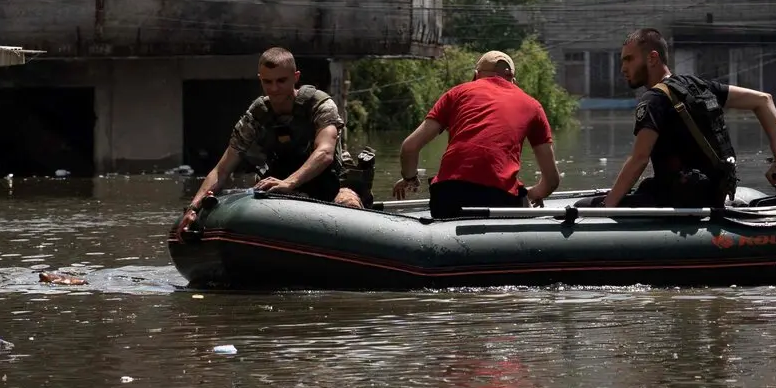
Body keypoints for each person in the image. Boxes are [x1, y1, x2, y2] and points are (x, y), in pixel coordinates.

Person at [603, 28, 776, 208]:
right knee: (645, 187)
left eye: (629, 59)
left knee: (584, 206)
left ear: (652, 58)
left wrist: (606, 208)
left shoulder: (654, 99)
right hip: (714, 193)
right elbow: (764, 100)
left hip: (679, 200)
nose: (623, 68)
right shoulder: (697, 86)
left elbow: (639, 159)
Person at [183, 47, 362, 226]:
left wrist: (289, 183)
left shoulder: (320, 105)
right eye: (267, 82)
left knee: (349, 205)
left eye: (281, 81)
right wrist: (193, 208)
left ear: (296, 77)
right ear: (261, 80)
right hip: (281, 185)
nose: (274, 89)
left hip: (331, 182)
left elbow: (325, 153)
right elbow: (222, 169)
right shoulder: (257, 114)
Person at [392, 50, 561, 218]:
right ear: (513, 81)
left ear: (475, 76)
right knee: (524, 206)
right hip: (500, 199)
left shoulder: (456, 94)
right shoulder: (533, 106)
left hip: (447, 196)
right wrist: (531, 194)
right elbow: (552, 181)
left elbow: (409, 147)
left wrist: (409, 178)